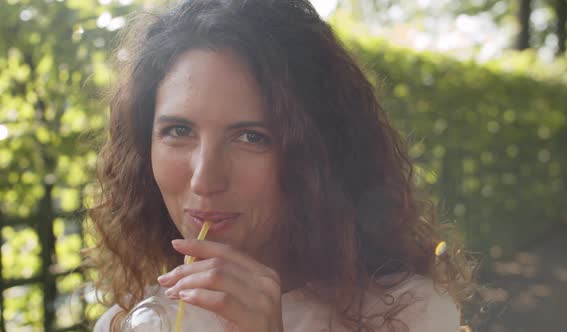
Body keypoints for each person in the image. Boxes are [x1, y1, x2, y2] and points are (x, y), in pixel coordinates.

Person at [88, 0, 475, 331]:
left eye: (251, 137)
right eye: (178, 130)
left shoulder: (409, 315)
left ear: (317, 153)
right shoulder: (129, 322)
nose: (205, 179)